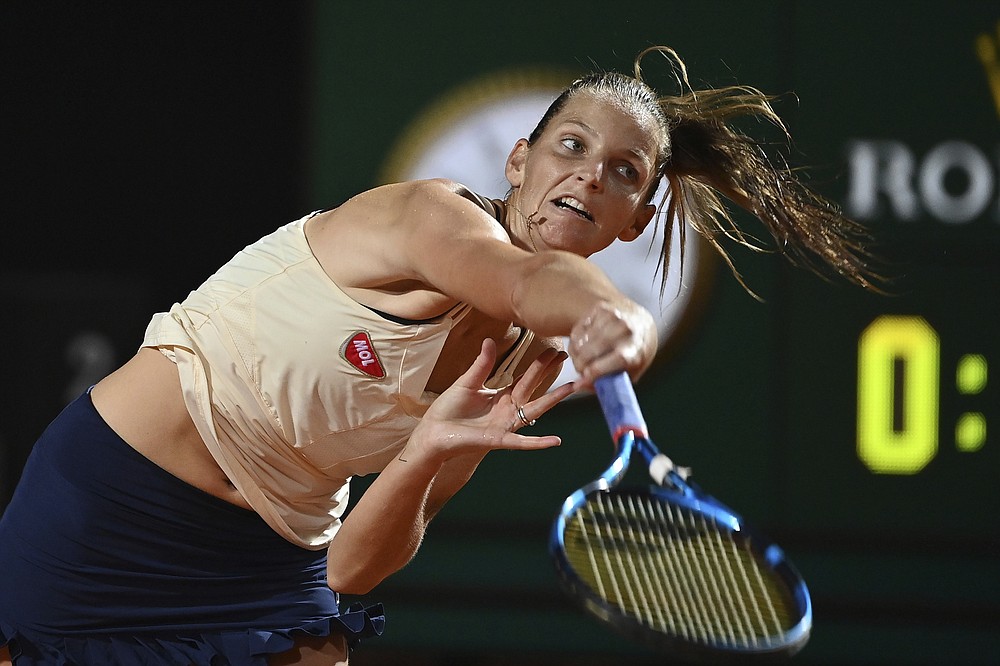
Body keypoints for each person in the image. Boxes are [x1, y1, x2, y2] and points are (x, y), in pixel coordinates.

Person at [0, 46, 878, 665]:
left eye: (622, 172)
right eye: (571, 147)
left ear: (637, 216)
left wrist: (423, 456)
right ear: (522, 160)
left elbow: (349, 569)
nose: (588, 176)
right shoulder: (434, 221)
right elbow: (530, 283)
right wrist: (625, 323)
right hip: (109, 506)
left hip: (272, 556)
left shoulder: (519, 361)